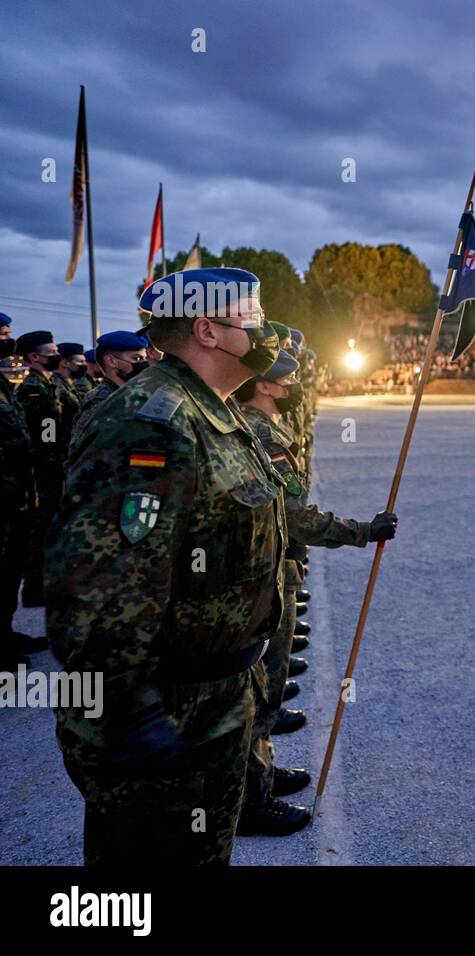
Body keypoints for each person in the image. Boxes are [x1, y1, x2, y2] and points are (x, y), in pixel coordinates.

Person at [46, 267, 286, 865]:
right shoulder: (153, 421)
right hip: (164, 708)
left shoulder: (214, 410)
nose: (266, 334)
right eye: (251, 323)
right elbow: (100, 582)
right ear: (207, 329)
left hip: (215, 694)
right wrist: (131, 715)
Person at [234, 349, 398, 835]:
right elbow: (296, 516)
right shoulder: (258, 433)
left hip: (274, 564)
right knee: (260, 690)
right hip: (264, 571)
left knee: (266, 686)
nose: (296, 384)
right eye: (288, 379)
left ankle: (259, 775)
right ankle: (250, 801)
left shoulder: (263, 426)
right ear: (265, 385)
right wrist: (363, 531)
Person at [0, 314, 41, 667]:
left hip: (15, 496)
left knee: (9, 570)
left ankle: (6, 633)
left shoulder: (3, 383)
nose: (9, 341)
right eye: (3, 335)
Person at [15, 329, 67, 607]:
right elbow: (41, 438)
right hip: (41, 475)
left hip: (53, 471)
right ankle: (34, 590)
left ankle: (42, 587)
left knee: (49, 531)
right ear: (34, 357)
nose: (56, 356)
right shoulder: (32, 390)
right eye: (51, 352)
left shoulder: (48, 385)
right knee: (39, 533)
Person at [68, 330, 149, 451]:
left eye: (144, 358)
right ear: (111, 361)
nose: (143, 364)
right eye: (136, 358)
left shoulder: (125, 393)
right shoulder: (102, 400)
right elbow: (80, 448)